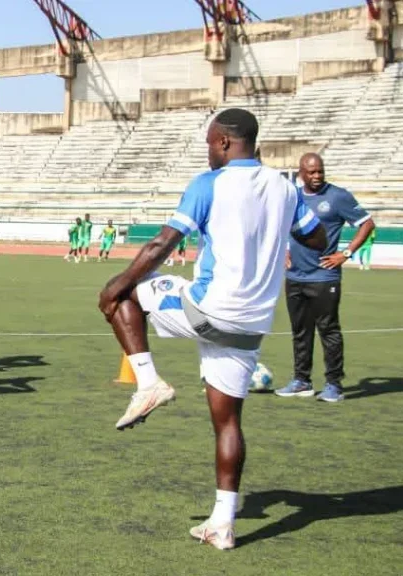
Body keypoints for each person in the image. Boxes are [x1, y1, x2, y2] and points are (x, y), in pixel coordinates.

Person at [97, 109, 326, 550]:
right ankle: (222, 525)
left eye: (208, 142)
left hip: (207, 310)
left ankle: (148, 383)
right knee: (228, 424)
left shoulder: (211, 184)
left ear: (223, 142)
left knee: (124, 297)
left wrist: (116, 283)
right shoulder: (285, 188)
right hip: (251, 327)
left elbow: (163, 244)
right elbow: (316, 239)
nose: (207, 151)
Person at [275, 153, 376, 403]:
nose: (317, 176)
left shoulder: (337, 196)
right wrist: (284, 250)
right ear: (301, 173)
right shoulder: (293, 197)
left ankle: (334, 384)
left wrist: (345, 254)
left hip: (324, 276)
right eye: (311, 172)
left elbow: (367, 224)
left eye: (320, 171)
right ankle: (302, 381)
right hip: (295, 276)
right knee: (300, 331)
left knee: (329, 331)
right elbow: (283, 226)